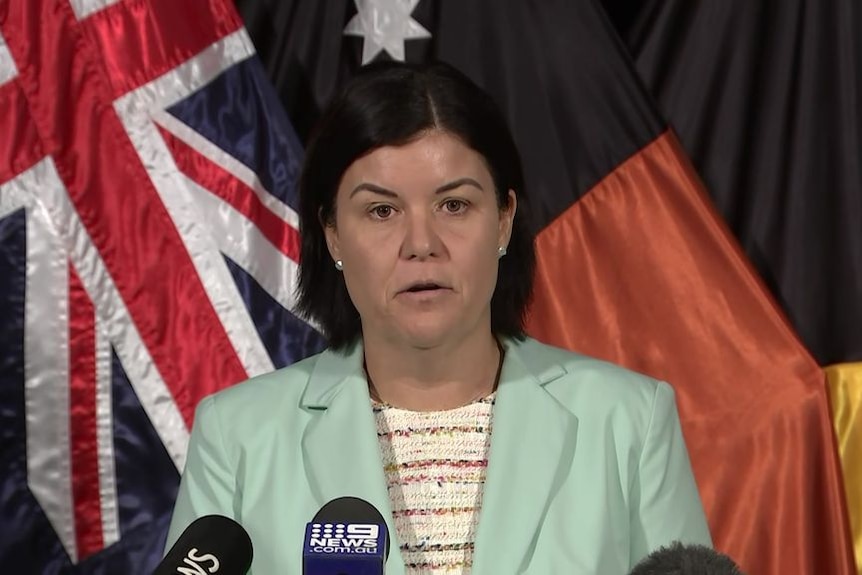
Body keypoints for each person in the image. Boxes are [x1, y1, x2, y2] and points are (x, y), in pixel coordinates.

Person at [165, 60, 712, 574]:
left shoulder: (629, 423)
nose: (421, 244)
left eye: (454, 206)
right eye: (382, 211)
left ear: (503, 221)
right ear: (332, 233)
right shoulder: (238, 437)